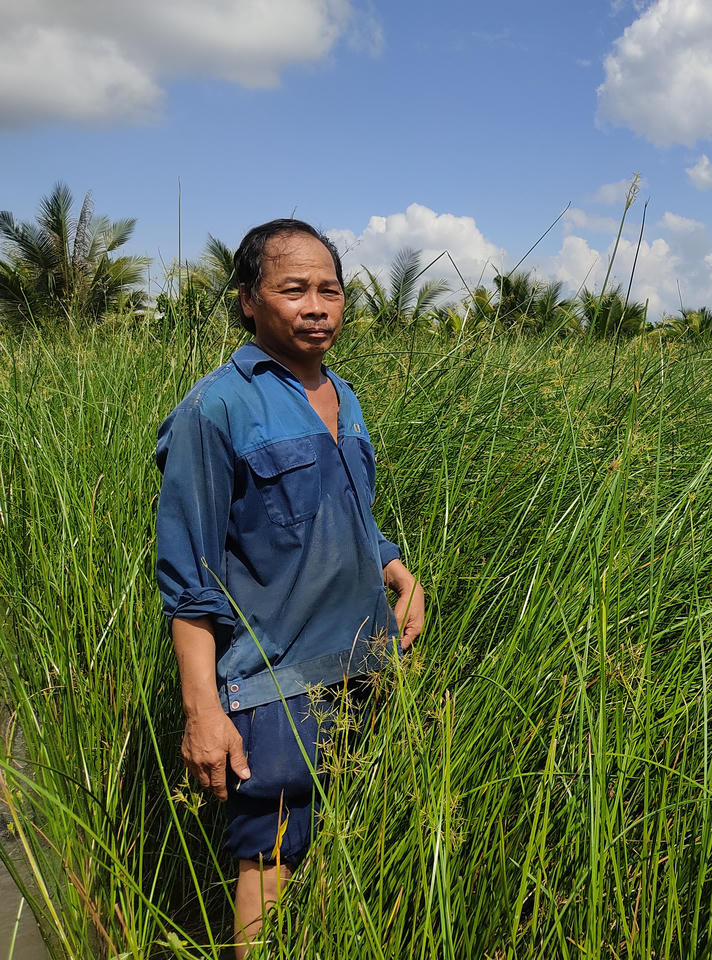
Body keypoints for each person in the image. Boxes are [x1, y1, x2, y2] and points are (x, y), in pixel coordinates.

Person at [154, 218, 424, 957]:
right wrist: (202, 711)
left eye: (329, 290)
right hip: (274, 684)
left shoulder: (344, 393)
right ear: (249, 300)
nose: (316, 306)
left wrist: (397, 568)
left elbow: (349, 513)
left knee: (338, 850)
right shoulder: (215, 410)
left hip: (366, 665)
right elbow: (190, 578)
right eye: (293, 289)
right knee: (269, 864)